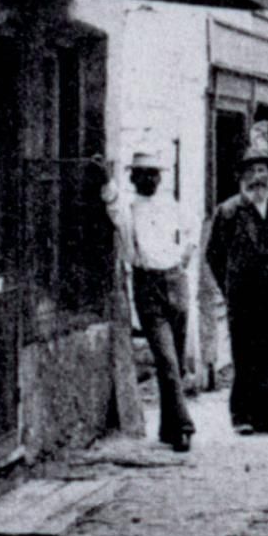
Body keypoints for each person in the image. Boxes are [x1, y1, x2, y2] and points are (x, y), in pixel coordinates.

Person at [206, 125, 268, 435]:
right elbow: (213, 254)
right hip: (242, 298)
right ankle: (241, 416)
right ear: (242, 177)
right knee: (244, 357)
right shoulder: (229, 211)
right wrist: (230, 286)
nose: (258, 177)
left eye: (263, 171)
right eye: (252, 171)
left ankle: (266, 417)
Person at [103, 150, 195, 452]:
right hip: (147, 286)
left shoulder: (170, 205)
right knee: (166, 359)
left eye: (154, 173)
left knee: (177, 363)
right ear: (133, 177)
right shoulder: (129, 208)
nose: (150, 179)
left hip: (175, 282)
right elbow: (113, 207)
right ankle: (183, 427)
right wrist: (107, 178)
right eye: (143, 173)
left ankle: (168, 428)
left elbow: (192, 228)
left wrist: (184, 257)